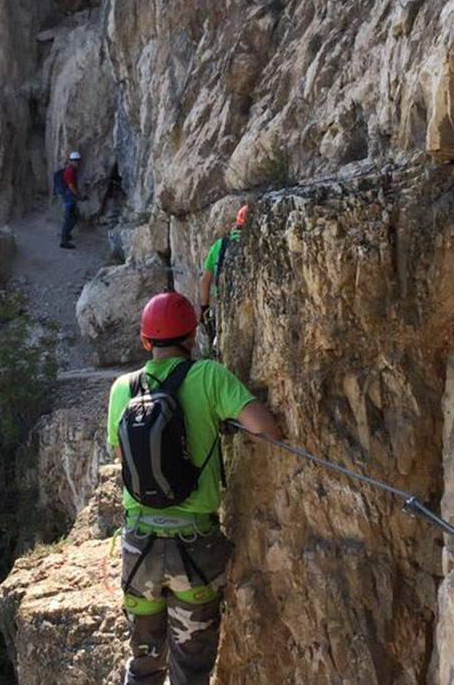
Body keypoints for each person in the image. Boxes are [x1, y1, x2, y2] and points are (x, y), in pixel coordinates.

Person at [108, 291, 282, 685]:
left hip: (139, 549)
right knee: (191, 671)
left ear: (144, 341)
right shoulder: (209, 376)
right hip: (194, 550)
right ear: (192, 337)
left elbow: (125, 459)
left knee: (144, 665)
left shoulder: (122, 389)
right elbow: (266, 430)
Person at [198, 204, 248, 351]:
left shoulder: (219, 246)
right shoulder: (258, 240)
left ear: (237, 223)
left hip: (224, 307)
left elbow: (205, 280)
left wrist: (204, 308)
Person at [54, 150, 82, 249]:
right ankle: (64, 240)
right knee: (69, 218)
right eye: (75, 160)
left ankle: (66, 235)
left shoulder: (71, 170)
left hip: (69, 196)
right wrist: (78, 195)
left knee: (74, 217)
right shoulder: (70, 171)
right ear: (70, 161)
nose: (76, 162)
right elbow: (71, 186)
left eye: (78, 160)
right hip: (69, 197)